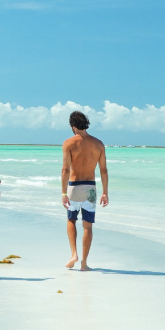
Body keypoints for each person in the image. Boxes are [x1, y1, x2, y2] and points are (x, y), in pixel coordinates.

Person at [60, 111, 109, 271]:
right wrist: (105, 192)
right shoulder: (98, 144)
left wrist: (63, 193)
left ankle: (74, 254)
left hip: (74, 187)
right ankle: (84, 263)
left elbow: (66, 169)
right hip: (90, 189)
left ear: (73, 126)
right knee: (87, 226)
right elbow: (103, 170)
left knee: (71, 221)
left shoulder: (68, 143)